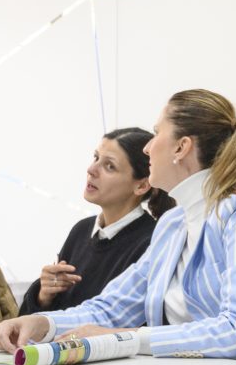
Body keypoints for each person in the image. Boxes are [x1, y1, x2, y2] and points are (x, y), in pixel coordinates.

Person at [0, 89, 236, 365]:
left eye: (156, 133)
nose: (147, 148)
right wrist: (42, 322)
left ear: (181, 147)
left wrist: (124, 338)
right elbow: (113, 307)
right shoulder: (173, 224)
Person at [17, 127, 174, 316]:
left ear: (141, 185)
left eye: (109, 166)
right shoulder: (81, 230)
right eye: (96, 158)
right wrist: (43, 295)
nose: (91, 170)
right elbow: (32, 321)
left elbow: (125, 322)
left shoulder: (152, 243)